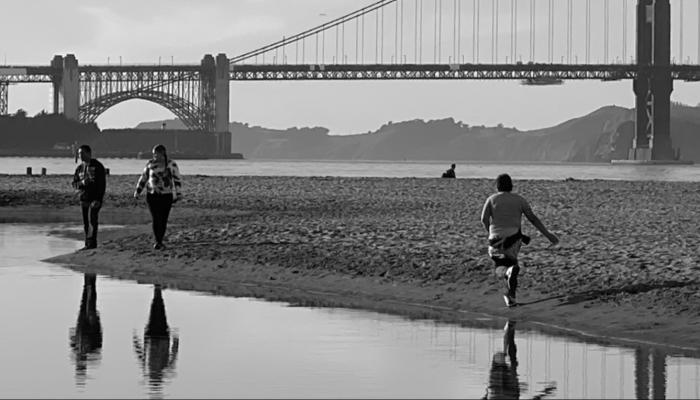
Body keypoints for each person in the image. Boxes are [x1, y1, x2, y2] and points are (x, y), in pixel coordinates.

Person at [480, 173, 559, 307]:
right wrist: (548, 235)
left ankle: (510, 296)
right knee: (511, 263)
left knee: (500, 266)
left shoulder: (491, 199)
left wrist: (490, 232)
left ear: (497, 186)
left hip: (495, 240)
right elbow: (532, 218)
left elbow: (484, 219)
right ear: (511, 185)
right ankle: (511, 296)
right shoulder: (520, 200)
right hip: (513, 239)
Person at [134, 144, 182, 250]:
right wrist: (137, 191)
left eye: (157, 154)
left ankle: (160, 239)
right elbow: (143, 178)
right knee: (156, 218)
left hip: (166, 195)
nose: (155, 156)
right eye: (154, 154)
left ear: (163, 153)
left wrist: (178, 194)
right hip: (152, 195)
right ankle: (158, 241)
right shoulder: (150, 164)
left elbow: (177, 179)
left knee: (163, 219)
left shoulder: (171, 164)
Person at [71, 145, 106, 250]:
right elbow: (74, 183)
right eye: (79, 154)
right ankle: (87, 243)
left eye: (82, 153)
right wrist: (82, 182)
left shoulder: (97, 166)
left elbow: (102, 184)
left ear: (88, 153)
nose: (80, 155)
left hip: (95, 198)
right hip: (84, 198)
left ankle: (92, 243)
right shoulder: (80, 168)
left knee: (92, 220)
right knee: (86, 222)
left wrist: (99, 199)